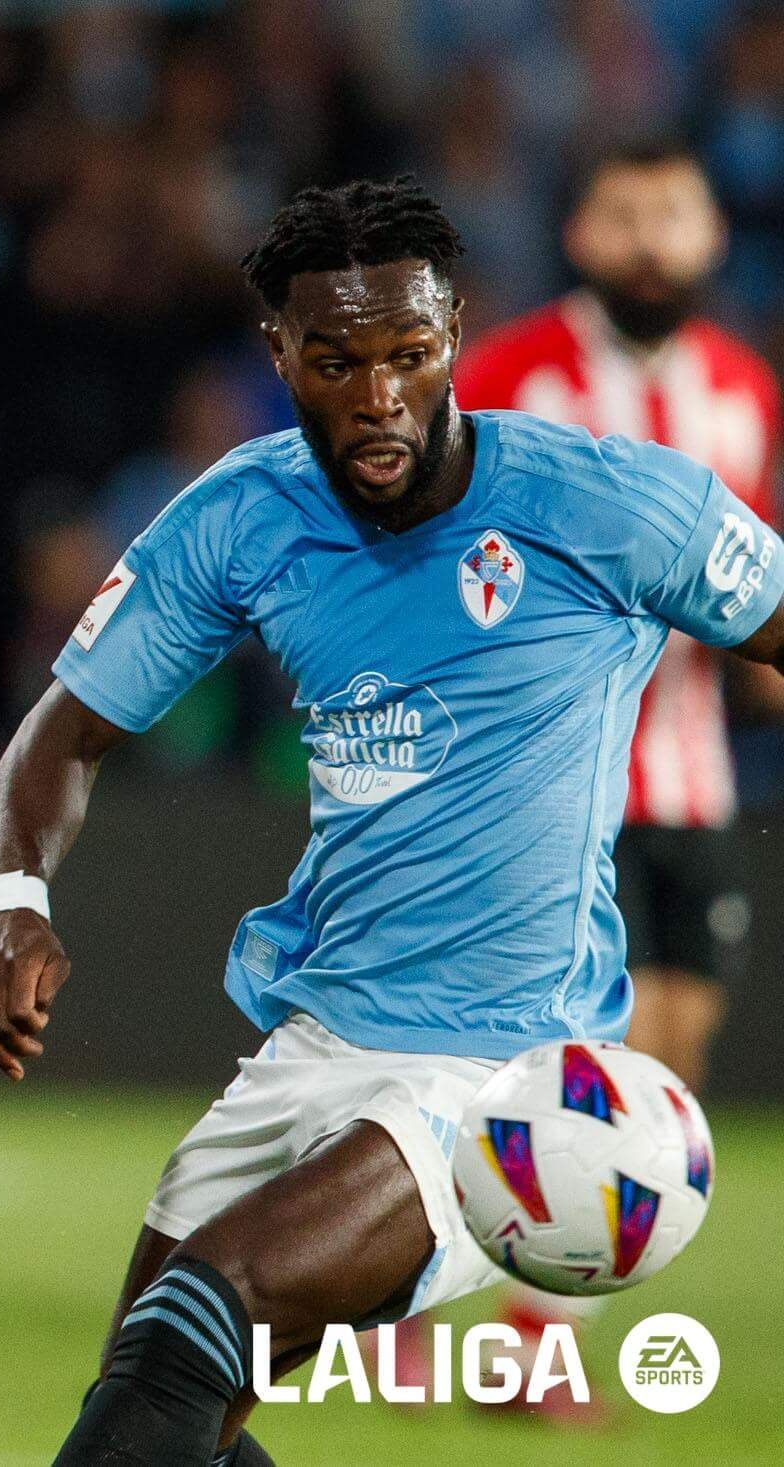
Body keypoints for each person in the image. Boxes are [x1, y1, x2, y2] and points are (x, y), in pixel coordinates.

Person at [0, 176, 784, 1466]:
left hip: (498, 1072)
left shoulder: (612, 504)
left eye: (407, 353)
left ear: (454, 332)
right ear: (276, 354)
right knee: (160, 1419)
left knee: (196, 1324)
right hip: (316, 1039)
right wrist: (14, 899)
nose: (377, 394)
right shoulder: (241, 517)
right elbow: (62, 735)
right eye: (334, 360)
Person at [427, 134, 783, 1420]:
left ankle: (509, 1306)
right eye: (623, 214)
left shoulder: (742, 388)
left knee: (670, 1053)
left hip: (693, 782)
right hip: (550, 783)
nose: (648, 240)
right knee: (575, 1052)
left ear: (710, 238)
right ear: (579, 233)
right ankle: (520, 1331)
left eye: (671, 215)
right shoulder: (514, 377)